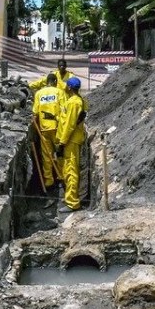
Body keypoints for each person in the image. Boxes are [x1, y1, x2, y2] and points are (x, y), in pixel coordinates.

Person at [55, 77, 88, 213]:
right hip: (69, 139)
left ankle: (73, 203)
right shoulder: (75, 100)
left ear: (69, 87)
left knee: (71, 171)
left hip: (70, 140)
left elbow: (69, 124)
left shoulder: (74, 103)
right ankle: (69, 195)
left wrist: (62, 143)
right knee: (66, 170)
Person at [32, 73, 64, 193]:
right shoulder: (59, 92)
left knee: (47, 157)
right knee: (60, 154)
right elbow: (64, 111)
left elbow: (35, 112)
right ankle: (61, 178)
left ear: (46, 82)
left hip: (44, 130)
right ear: (55, 82)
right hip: (58, 129)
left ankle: (49, 181)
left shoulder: (39, 94)